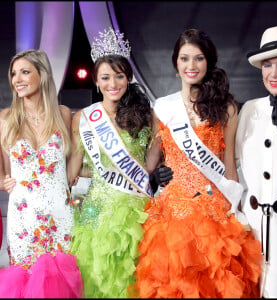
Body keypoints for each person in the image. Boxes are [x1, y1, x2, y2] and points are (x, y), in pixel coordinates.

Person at [129, 28, 262, 298]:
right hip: (172, 213)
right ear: (176, 65)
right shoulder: (163, 107)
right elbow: (152, 161)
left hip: (214, 210)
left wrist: (234, 206)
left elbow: (228, 166)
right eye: (184, 58)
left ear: (208, 62)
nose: (192, 66)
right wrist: (150, 177)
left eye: (199, 58)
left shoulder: (227, 108)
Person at [67, 27, 172, 298]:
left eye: (119, 76)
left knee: (134, 282)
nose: (113, 83)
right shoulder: (84, 118)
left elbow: (149, 167)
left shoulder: (146, 115)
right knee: (98, 282)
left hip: (136, 211)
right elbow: (75, 169)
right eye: (105, 77)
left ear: (127, 78)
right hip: (95, 214)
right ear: (96, 82)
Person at [0, 49, 83, 297]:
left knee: (62, 282)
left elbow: (71, 171)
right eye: (14, 74)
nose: (17, 79)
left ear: (43, 75)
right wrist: (3, 180)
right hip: (23, 217)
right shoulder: (5, 118)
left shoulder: (63, 114)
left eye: (25, 72)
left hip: (61, 214)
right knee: (25, 282)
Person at [235, 25, 277, 298]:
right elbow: (234, 165)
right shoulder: (250, 109)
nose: (273, 73)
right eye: (267, 65)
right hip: (252, 238)